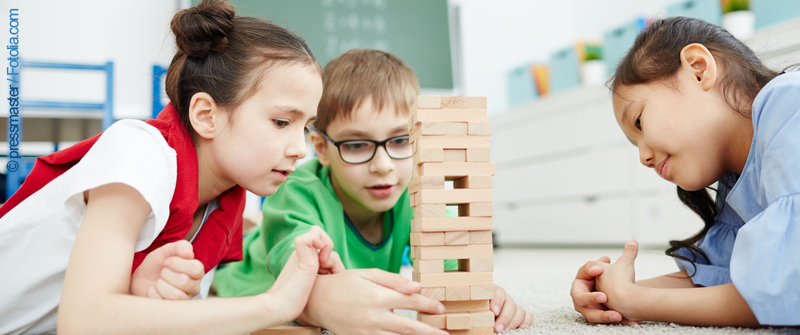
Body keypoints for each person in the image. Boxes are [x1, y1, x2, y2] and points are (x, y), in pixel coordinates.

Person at [0, 1, 345, 334]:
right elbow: (85, 321)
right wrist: (274, 304)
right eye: (282, 121)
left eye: (306, 127)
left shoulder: (221, 206)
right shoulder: (139, 151)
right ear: (206, 115)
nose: (300, 149)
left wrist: (140, 294)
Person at [213, 48, 533, 334]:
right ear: (322, 149)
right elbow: (294, 267)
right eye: (355, 145)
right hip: (241, 278)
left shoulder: (415, 193)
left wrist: (482, 294)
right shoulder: (297, 191)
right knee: (241, 240)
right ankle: (245, 231)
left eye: (400, 140)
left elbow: (458, 256)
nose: (383, 165)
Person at [570, 16, 800, 326]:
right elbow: (727, 278)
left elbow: (782, 292)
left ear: (698, 69)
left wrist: (636, 300)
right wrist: (608, 291)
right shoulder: (736, 181)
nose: (643, 158)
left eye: (639, 122)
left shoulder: (788, 103)